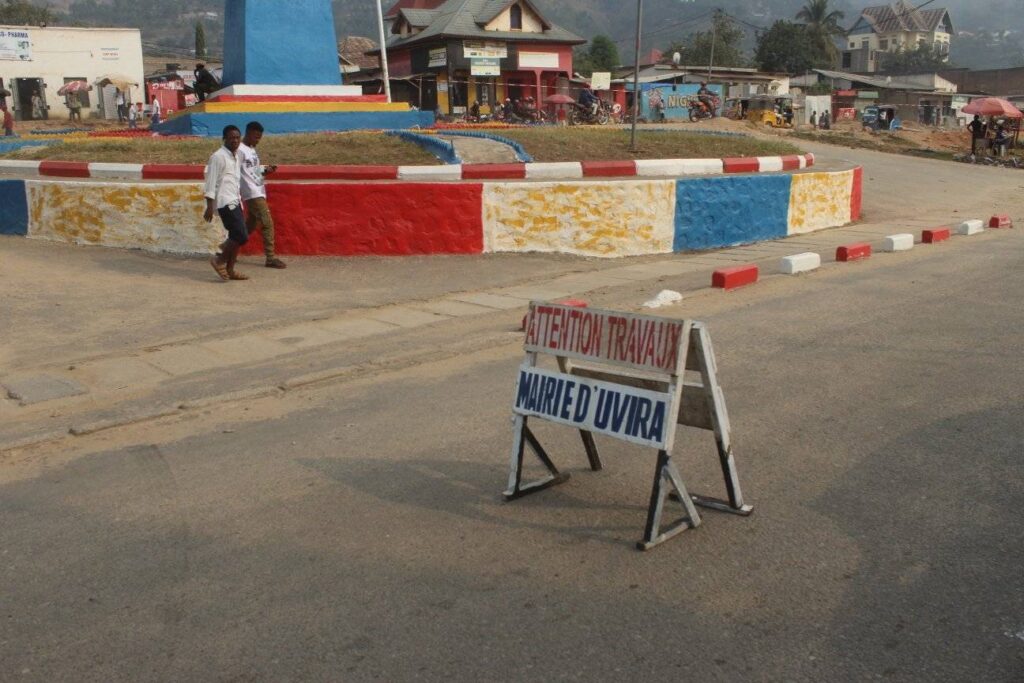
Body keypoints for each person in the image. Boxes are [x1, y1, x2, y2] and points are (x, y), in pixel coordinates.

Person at [239, 121, 287, 269]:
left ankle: (228, 249)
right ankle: (270, 257)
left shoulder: (252, 150)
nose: (258, 140)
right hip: (251, 192)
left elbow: (253, 171)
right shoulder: (239, 150)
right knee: (267, 222)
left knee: (250, 225)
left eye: (259, 138)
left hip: (259, 189)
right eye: (256, 137)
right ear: (248, 133)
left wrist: (265, 171)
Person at [204, 125, 248, 281]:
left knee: (236, 235)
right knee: (241, 235)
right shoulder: (218, 157)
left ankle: (230, 269)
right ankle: (219, 260)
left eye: (237, 137)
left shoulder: (236, 156)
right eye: (231, 138)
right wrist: (209, 206)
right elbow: (210, 182)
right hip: (225, 202)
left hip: (235, 200)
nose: (235, 140)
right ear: (224, 139)